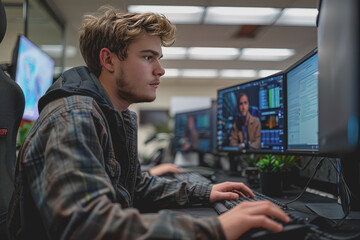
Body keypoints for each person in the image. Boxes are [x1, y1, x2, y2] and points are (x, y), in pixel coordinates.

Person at [8, 6, 290, 240]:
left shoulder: (110, 115)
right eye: (148, 57)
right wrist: (216, 228)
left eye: (159, 58)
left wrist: (206, 191)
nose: (161, 70)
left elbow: (135, 187)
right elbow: (86, 225)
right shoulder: (75, 116)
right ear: (108, 59)